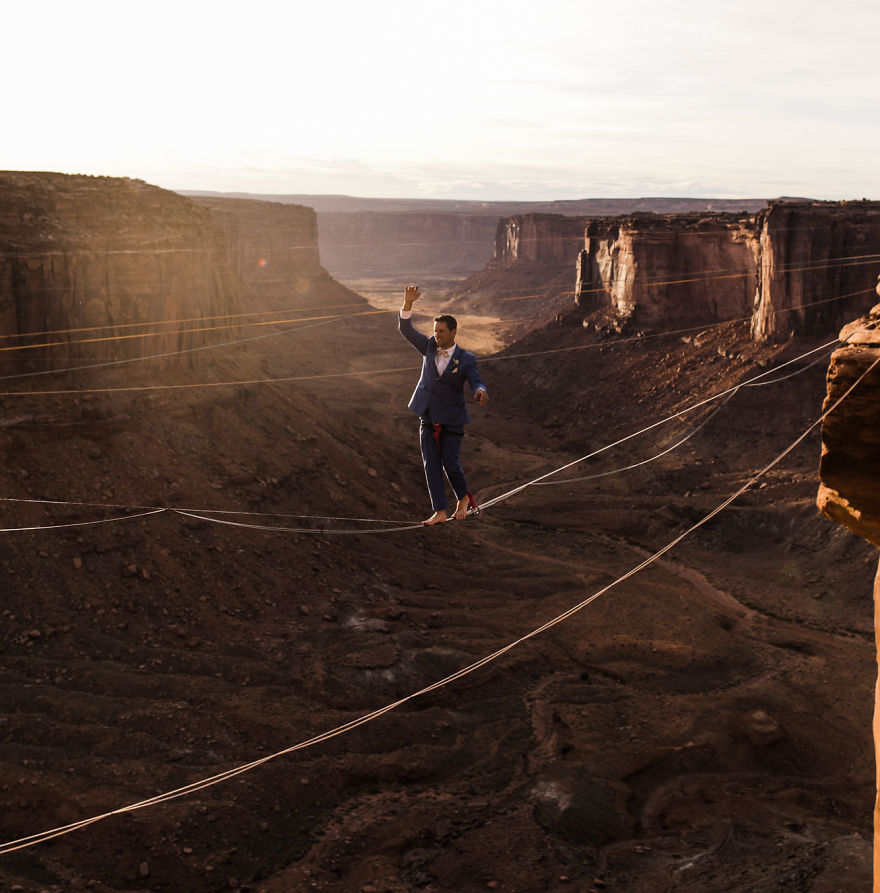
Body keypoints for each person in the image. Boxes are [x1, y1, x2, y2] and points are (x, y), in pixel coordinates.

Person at [398, 284, 489, 525]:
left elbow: (476, 380)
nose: (436, 335)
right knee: (431, 465)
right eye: (435, 330)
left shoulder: (466, 359)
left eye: (441, 331)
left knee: (450, 463)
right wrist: (408, 303)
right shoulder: (428, 346)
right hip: (427, 416)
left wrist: (480, 391)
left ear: (453, 333)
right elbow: (405, 329)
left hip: (452, 418)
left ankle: (463, 499)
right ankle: (439, 510)